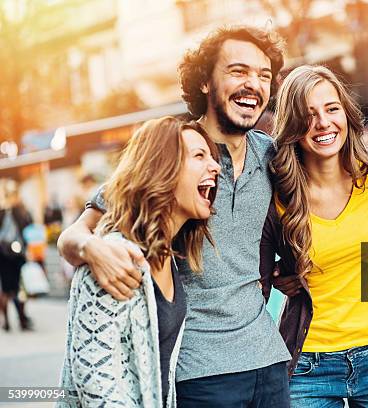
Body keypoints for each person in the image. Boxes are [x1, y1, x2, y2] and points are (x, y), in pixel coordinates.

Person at [57, 25, 292, 407]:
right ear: (204, 82)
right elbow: (73, 236)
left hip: (268, 359)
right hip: (197, 372)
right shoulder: (172, 152)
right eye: (238, 71)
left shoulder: (270, 154)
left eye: (263, 76)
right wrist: (90, 248)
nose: (253, 84)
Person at [261, 65, 368, 407]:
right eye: (308, 114)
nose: (323, 123)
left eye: (331, 109)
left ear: (346, 112)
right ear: (293, 126)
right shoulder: (276, 194)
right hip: (307, 365)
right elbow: (255, 281)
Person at [58, 117, 220, 407]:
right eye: (199, 156)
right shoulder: (113, 259)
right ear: (163, 168)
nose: (216, 167)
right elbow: (95, 384)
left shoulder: (168, 257)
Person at [0, 184, 34, 332]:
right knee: (16, 289)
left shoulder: (11, 211)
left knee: (11, 289)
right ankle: (19, 319)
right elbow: (28, 226)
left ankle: (12, 321)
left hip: (7, 255)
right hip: (13, 255)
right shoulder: (18, 211)